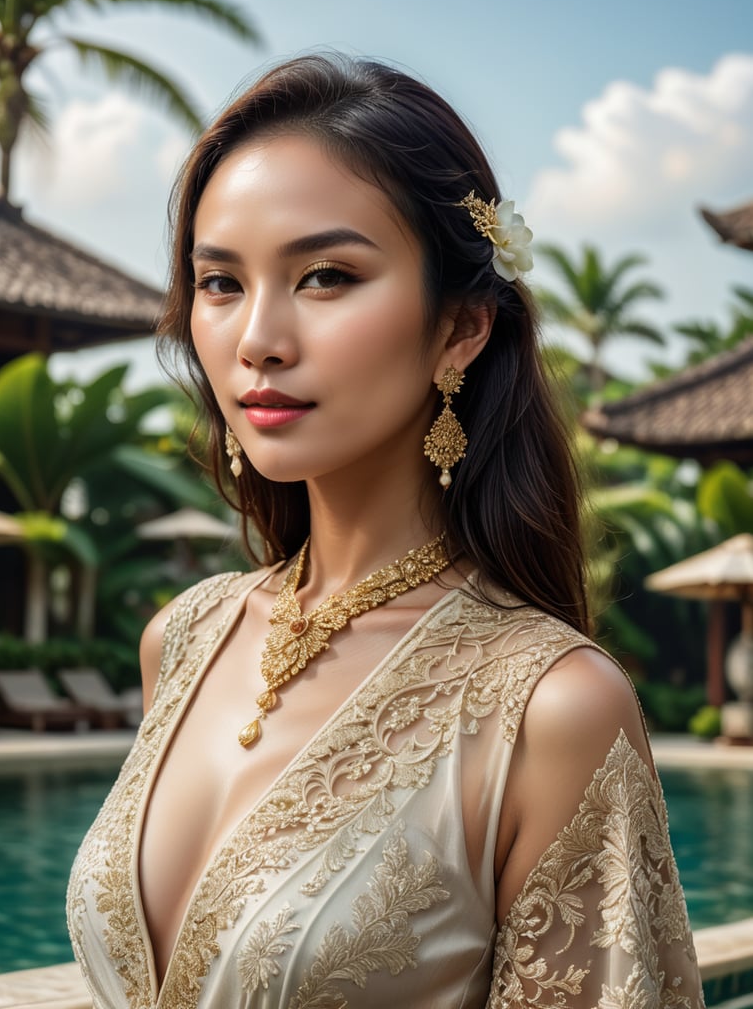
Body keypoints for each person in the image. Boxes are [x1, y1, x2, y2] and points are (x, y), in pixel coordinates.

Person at [67, 54, 704, 1009]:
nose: (257, 339)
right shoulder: (186, 637)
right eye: (219, 282)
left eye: (325, 276)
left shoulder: (550, 710)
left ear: (460, 327)